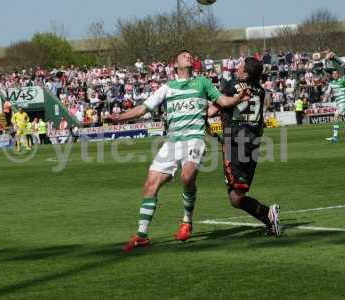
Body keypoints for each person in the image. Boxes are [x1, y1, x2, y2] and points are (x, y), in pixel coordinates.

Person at [110, 50, 250, 252]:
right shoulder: (167, 87)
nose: (189, 57)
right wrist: (119, 118)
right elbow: (143, 109)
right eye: (185, 56)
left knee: (187, 177)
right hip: (172, 143)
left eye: (191, 56)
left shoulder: (202, 83)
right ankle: (141, 235)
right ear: (175, 64)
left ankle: (187, 221)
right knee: (150, 184)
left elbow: (222, 101)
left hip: (194, 140)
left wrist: (237, 98)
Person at [209, 57, 281, 237]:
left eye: (240, 66)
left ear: (246, 73)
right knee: (236, 196)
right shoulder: (261, 91)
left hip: (234, 143)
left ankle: (267, 214)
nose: (237, 68)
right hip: (252, 144)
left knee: (236, 196)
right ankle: (268, 216)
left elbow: (210, 111)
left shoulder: (232, 87)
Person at [324, 67, 345, 143]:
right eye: (333, 74)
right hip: (339, 103)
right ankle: (335, 137)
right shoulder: (331, 84)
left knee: (336, 116)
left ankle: (335, 137)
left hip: (343, 102)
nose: (335, 75)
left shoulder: (342, 80)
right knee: (336, 117)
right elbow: (328, 93)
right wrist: (326, 97)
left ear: (338, 74)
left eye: (336, 73)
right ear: (332, 75)